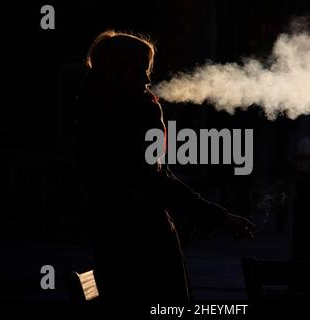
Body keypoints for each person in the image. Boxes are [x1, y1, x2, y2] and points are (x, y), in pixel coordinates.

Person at [77, 30, 254, 302]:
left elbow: (154, 177)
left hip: (112, 248)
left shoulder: (91, 111)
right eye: (140, 71)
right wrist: (220, 218)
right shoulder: (139, 111)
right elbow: (155, 180)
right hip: (148, 250)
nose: (148, 80)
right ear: (119, 72)